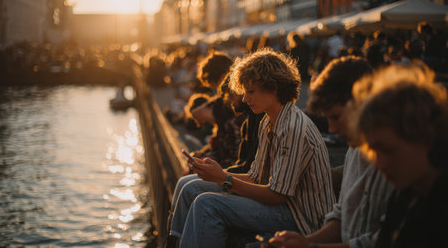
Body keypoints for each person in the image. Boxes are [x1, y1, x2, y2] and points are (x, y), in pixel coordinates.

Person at [168, 48, 335, 248]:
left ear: (273, 88)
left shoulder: (293, 128)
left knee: (207, 205)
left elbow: (277, 196)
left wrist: (224, 178)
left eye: (251, 91)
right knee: (192, 186)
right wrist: (217, 173)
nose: (246, 99)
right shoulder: (268, 121)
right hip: (285, 206)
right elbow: (256, 176)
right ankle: (174, 243)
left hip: (301, 218)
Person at [268, 56, 393, 248]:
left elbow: (384, 241)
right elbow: (342, 216)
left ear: (363, 103)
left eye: (336, 117)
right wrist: (305, 242)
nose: (332, 129)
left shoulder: (400, 157)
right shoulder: (354, 149)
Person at [351, 64, 448, 248]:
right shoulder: (408, 194)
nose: (378, 165)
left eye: (386, 150)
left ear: (424, 135)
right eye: (373, 151)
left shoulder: (438, 208)